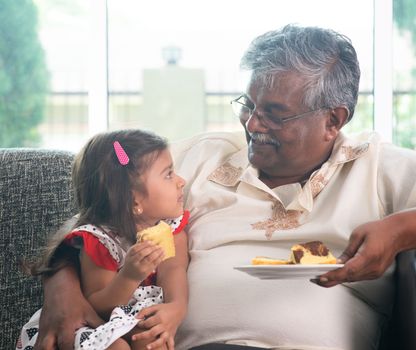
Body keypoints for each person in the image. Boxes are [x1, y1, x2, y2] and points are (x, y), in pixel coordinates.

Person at [33, 24, 416, 350]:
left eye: (274, 114)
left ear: (333, 120)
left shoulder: (379, 166)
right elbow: (99, 219)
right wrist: (60, 288)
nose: (253, 124)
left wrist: (400, 230)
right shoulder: (199, 158)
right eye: (248, 105)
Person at [19, 129, 189, 350]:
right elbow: (98, 306)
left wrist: (176, 308)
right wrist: (129, 276)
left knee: (153, 339)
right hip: (92, 324)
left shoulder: (171, 229)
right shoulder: (99, 240)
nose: (181, 181)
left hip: (134, 318)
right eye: (168, 174)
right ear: (133, 199)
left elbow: (174, 270)